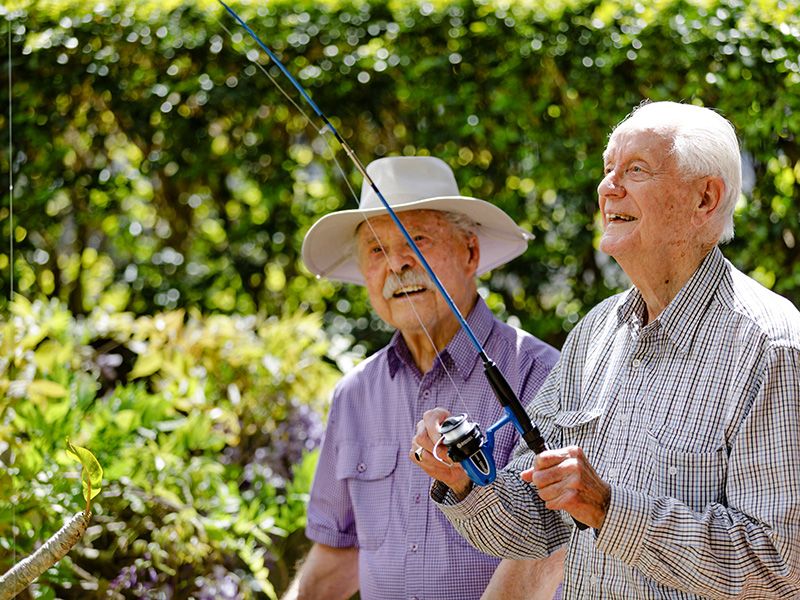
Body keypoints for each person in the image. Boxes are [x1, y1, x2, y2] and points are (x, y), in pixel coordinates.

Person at [412, 101, 800, 598]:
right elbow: (534, 526)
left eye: (635, 169)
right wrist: (463, 482)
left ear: (705, 199)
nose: (607, 186)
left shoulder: (771, 345)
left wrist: (609, 510)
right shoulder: (596, 332)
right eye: (607, 169)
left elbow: (781, 565)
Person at [285, 156, 564, 600]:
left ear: (469, 253)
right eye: (377, 249)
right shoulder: (355, 393)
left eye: (418, 239)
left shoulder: (541, 374)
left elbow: (551, 553)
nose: (397, 265)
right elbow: (340, 552)